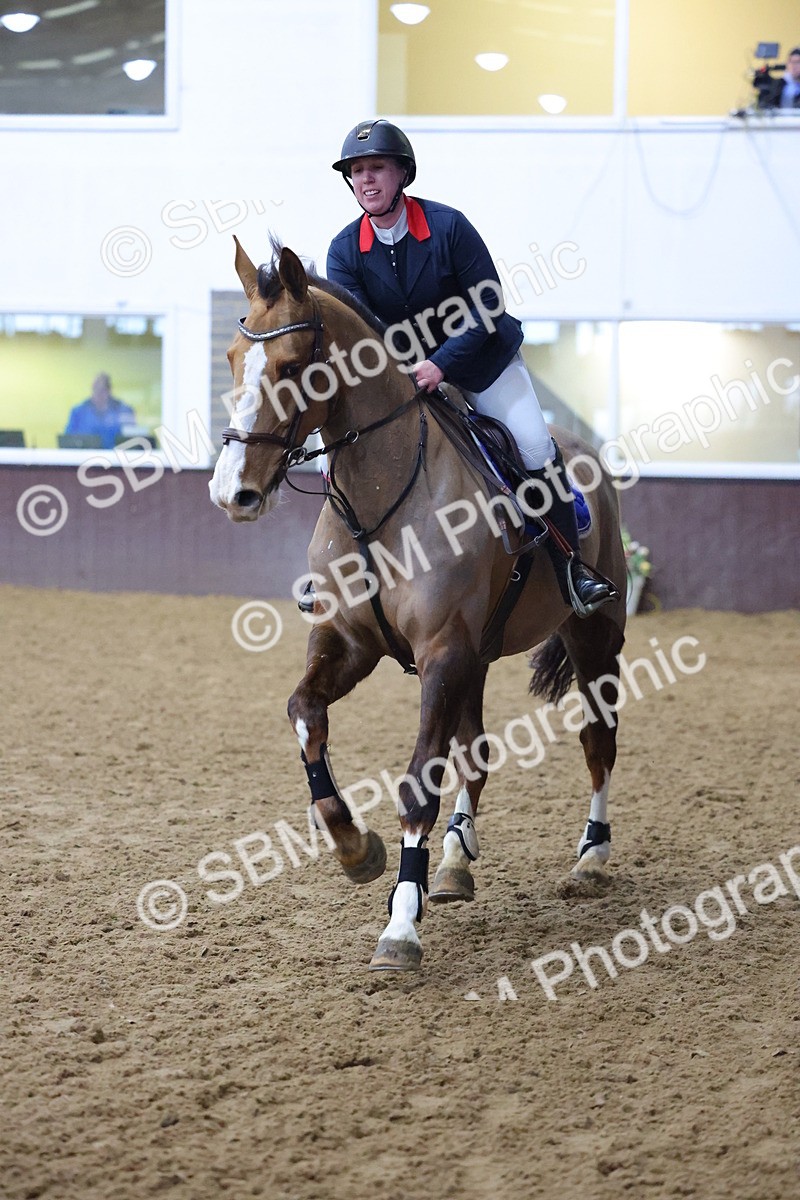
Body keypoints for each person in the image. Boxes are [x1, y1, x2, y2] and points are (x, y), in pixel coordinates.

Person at [317, 118, 616, 618]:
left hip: (482, 363)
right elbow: (364, 334)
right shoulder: (344, 251)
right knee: (337, 459)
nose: (366, 180)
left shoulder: (448, 227)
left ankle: (572, 569)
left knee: (535, 445)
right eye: (357, 171)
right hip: (404, 378)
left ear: (402, 175)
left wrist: (440, 364)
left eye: (377, 168)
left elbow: (488, 307)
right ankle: (336, 573)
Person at [64, 373, 136, 449]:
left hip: (114, 458)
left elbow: (132, 441)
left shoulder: (124, 411)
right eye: (95, 389)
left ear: (109, 391)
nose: (98, 394)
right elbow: (68, 440)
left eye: (101, 390)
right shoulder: (78, 412)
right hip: (85, 458)